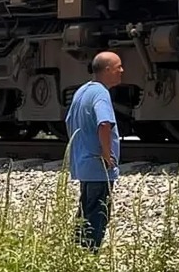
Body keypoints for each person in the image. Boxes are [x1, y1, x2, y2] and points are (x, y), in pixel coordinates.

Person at [65, 51, 124, 251]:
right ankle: (89, 257)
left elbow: (68, 122)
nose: (122, 71)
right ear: (107, 70)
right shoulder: (101, 93)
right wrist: (107, 154)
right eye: (118, 67)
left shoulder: (82, 91)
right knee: (98, 215)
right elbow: (104, 123)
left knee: (84, 213)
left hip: (84, 165)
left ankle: (78, 255)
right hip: (99, 168)